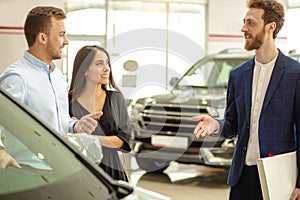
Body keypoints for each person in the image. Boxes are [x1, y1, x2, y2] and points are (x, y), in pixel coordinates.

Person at [193, 0, 300, 199]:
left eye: (251, 23)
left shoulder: (295, 74)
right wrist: (216, 124)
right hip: (242, 177)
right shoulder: (238, 75)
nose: (243, 29)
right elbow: (233, 125)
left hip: (279, 178)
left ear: (270, 27)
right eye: (244, 22)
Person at [0, 6, 99, 169]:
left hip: (60, 167)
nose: (66, 41)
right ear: (42, 38)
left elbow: (58, 119)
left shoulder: (58, 77)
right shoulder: (17, 78)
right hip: (29, 170)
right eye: (61, 35)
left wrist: (75, 126)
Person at [68, 45, 132, 182]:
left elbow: (124, 140)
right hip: (79, 174)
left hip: (113, 173)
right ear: (84, 70)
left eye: (107, 63)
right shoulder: (68, 101)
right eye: (99, 63)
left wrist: (91, 139)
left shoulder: (116, 99)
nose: (106, 68)